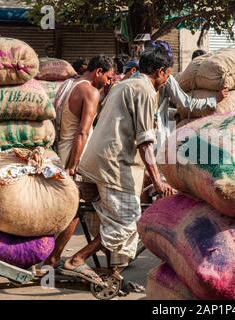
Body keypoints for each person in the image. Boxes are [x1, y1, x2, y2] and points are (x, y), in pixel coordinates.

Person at [57, 46, 175, 284]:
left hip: (94, 160)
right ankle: (77, 260)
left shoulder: (124, 83)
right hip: (112, 165)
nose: (167, 80)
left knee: (103, 218)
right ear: (160, 71)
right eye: (168, 74)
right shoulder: (144, 90)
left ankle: (110, 273)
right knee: (128, 221)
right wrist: (158, 181)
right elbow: (144, 142)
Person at [44, 55, 115, 268]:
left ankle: (55, 255)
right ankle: (57, 256)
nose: (110, 82)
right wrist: (73, 165)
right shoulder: (90, 91)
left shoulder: (70, 85)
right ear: (98, 72)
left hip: (64, 150)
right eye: (109, 77)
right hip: (78, 155)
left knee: (75, 207)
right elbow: (83, 133)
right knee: (81, 206)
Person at [147, 40, 228, 151]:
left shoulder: (135, 79)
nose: (167, 77)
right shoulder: (167, 79)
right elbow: (187, 103)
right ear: (161, 71)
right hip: (153, 135)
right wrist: (213, 100)